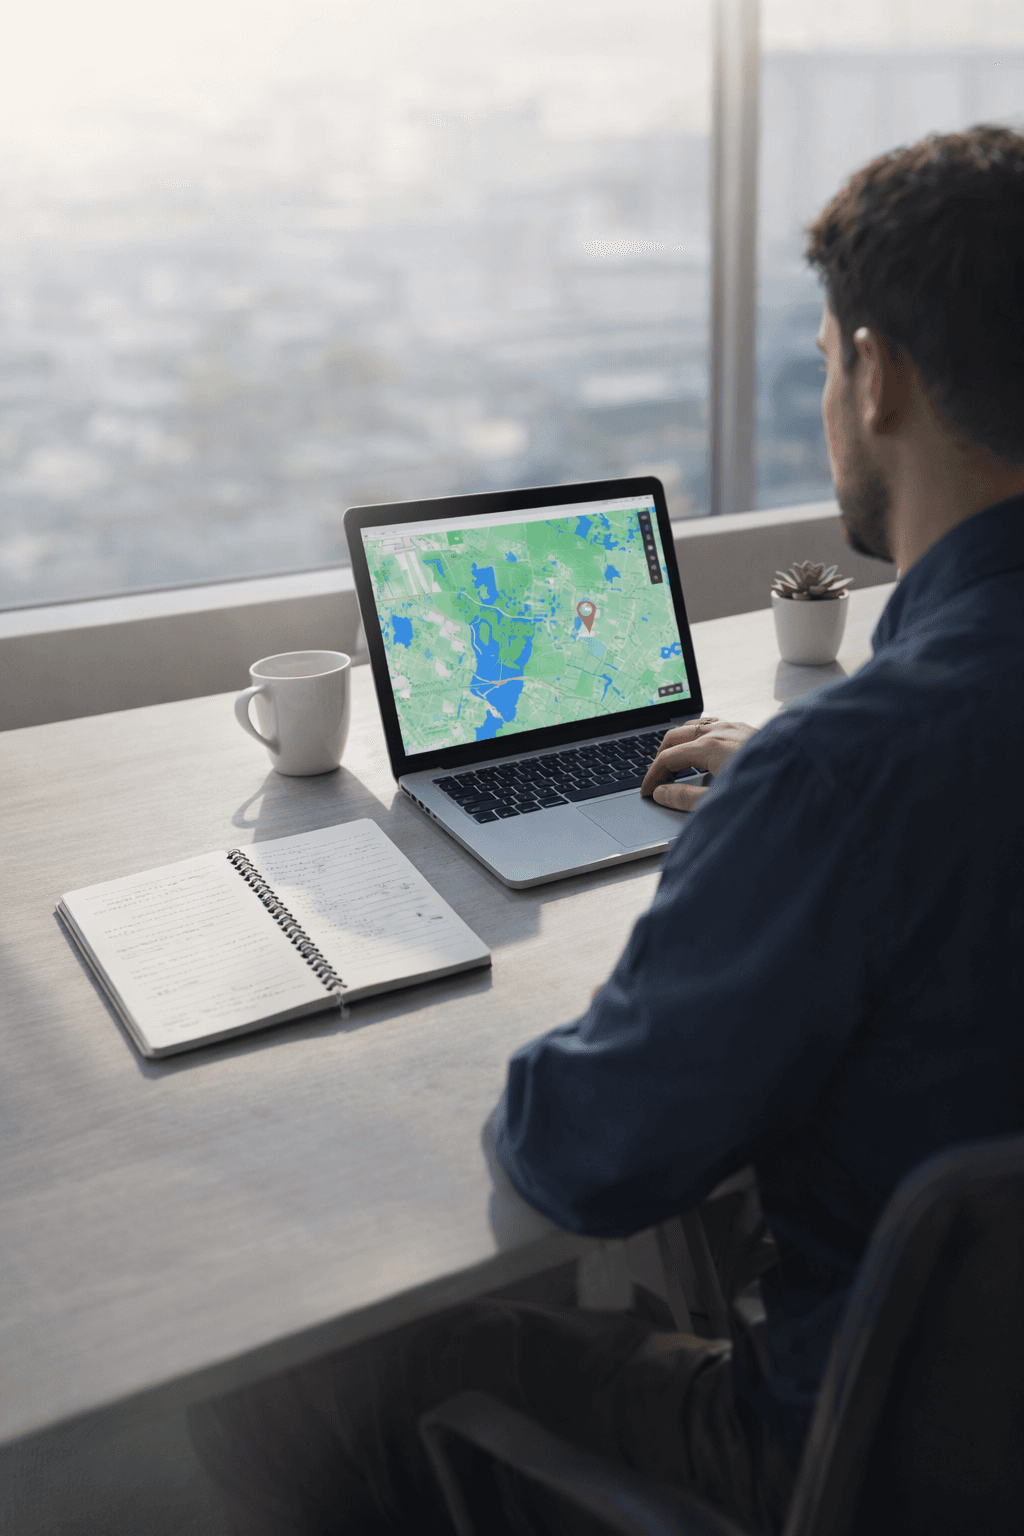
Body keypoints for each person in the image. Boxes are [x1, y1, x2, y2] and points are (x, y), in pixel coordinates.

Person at [190, 125, 1024, 1534]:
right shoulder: (859, 766)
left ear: (876, 372)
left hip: (852, 1469)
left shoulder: (845, 779)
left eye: (828, 360)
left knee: (281, 1387)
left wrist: (786, 808)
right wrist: (805, 783)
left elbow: (581, 1155)